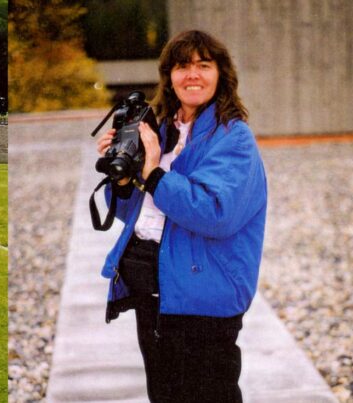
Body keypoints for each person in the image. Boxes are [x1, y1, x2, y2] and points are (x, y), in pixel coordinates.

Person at [95, 30, 267, 402]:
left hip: (202, 295)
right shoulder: (159, 129)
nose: (192, 74)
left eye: (203, 65)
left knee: (209, 394)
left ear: (221, 74)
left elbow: (214, 212)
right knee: (164, 393)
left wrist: (154, 173)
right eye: (182, 66)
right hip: (153, 287)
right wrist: (123, 177)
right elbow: (132, 211)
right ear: (168, 76)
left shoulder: (232, 138)